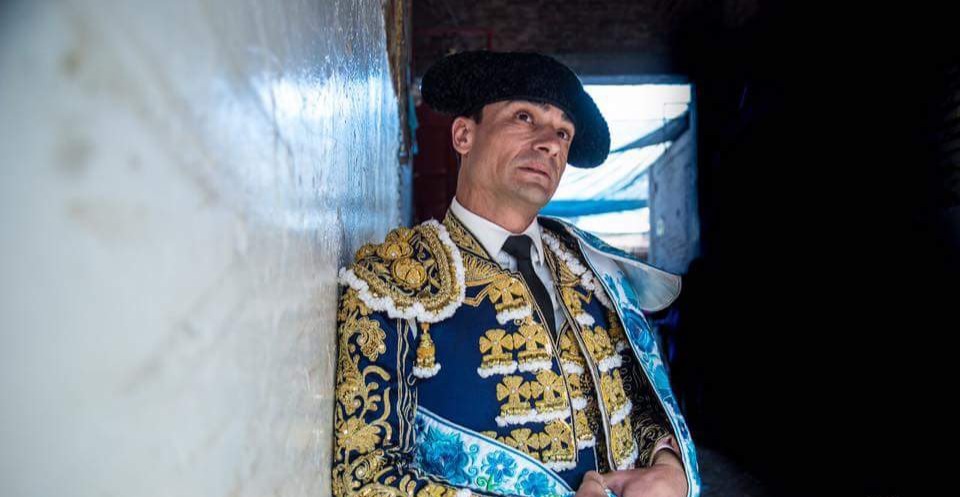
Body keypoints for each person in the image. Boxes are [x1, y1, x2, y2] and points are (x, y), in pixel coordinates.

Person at [331, 50, 701, 497]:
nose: (550, 143)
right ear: (464, 134)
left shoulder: (596, 273)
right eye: (525, 117)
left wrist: (670, 467)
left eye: (563, 133)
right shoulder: (393, 280)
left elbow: (642, 403)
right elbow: (365, 475)